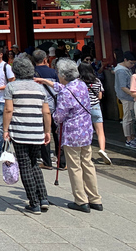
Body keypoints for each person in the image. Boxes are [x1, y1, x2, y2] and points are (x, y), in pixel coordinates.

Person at [52, 59, 103, 213]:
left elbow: (59, 116)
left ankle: (81, 200)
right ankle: (95, 198)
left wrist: (53, 117)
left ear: (62, 75)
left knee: (74, 167)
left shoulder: (65, 92)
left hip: (72, 133)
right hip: (86, 131)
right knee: (87, 164)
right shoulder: (81, 85)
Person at [2, 54, 51, 213]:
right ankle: (43, 197)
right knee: (34, 163)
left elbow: (9, 109)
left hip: (20, 131)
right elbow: (46, 112)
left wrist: (5, 129)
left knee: (24, 165)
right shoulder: (40, 87)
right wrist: (47, 131)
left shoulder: (12, 87)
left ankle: (33, 202)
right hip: (37, 131)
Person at [32, 49, 63, 171]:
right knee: (57, 134)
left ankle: (47, 161)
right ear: (45, 59)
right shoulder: (53, 72)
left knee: (44, 133)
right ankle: (62, 162)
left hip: (39, 107)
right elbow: (58, 90)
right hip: (54, 106)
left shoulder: (32, 73)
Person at [78, 62, 112, 165]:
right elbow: (100, 96)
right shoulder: (97, 81)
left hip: (83, 109)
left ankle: (84, 151)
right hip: (96, 107)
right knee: (100, 131)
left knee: (84, 131)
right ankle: (102, 150)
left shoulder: (79, 82)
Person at [114, 51, 136, 148]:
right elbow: (123, 87)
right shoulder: (121, 71)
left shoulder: (123, 69)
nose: (132, 65)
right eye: (131, 63)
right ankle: (129, 139)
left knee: (130, 118)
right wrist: (134, 94)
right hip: (127, 97)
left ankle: (131, 137)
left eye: (133, 63)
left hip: (129, 97)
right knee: (128, 119)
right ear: (125, 60)